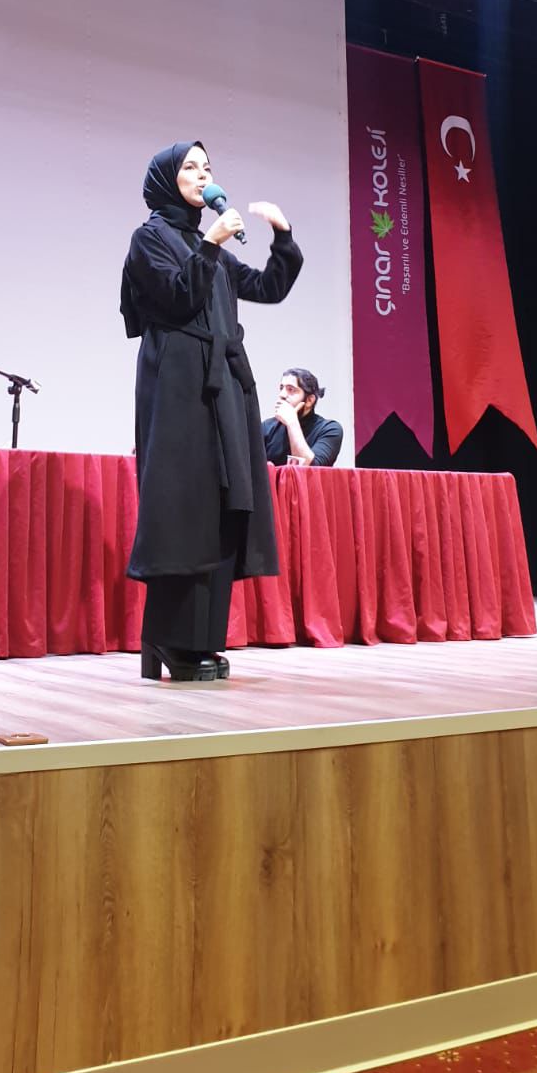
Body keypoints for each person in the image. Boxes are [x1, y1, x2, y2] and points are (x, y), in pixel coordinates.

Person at [121, 141, 302, 682]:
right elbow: (176, 299)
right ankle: (168, 638)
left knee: (225, 504)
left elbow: (267, 286)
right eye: (190, 167)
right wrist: (210, 245)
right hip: (178, 383)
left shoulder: (212, 245)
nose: (203, 176)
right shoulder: (149, 238)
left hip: (224, 385)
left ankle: (203, 639)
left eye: (207, 168)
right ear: (166, 179)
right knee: (184, 506)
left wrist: (283, 237)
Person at [262, 368, 343, 467]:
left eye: (290, 389)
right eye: (281, 388)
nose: (281, 395)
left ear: (309, 400)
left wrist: (292, 422)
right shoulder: (267, 427)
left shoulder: (329, 429)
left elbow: (308, 469)